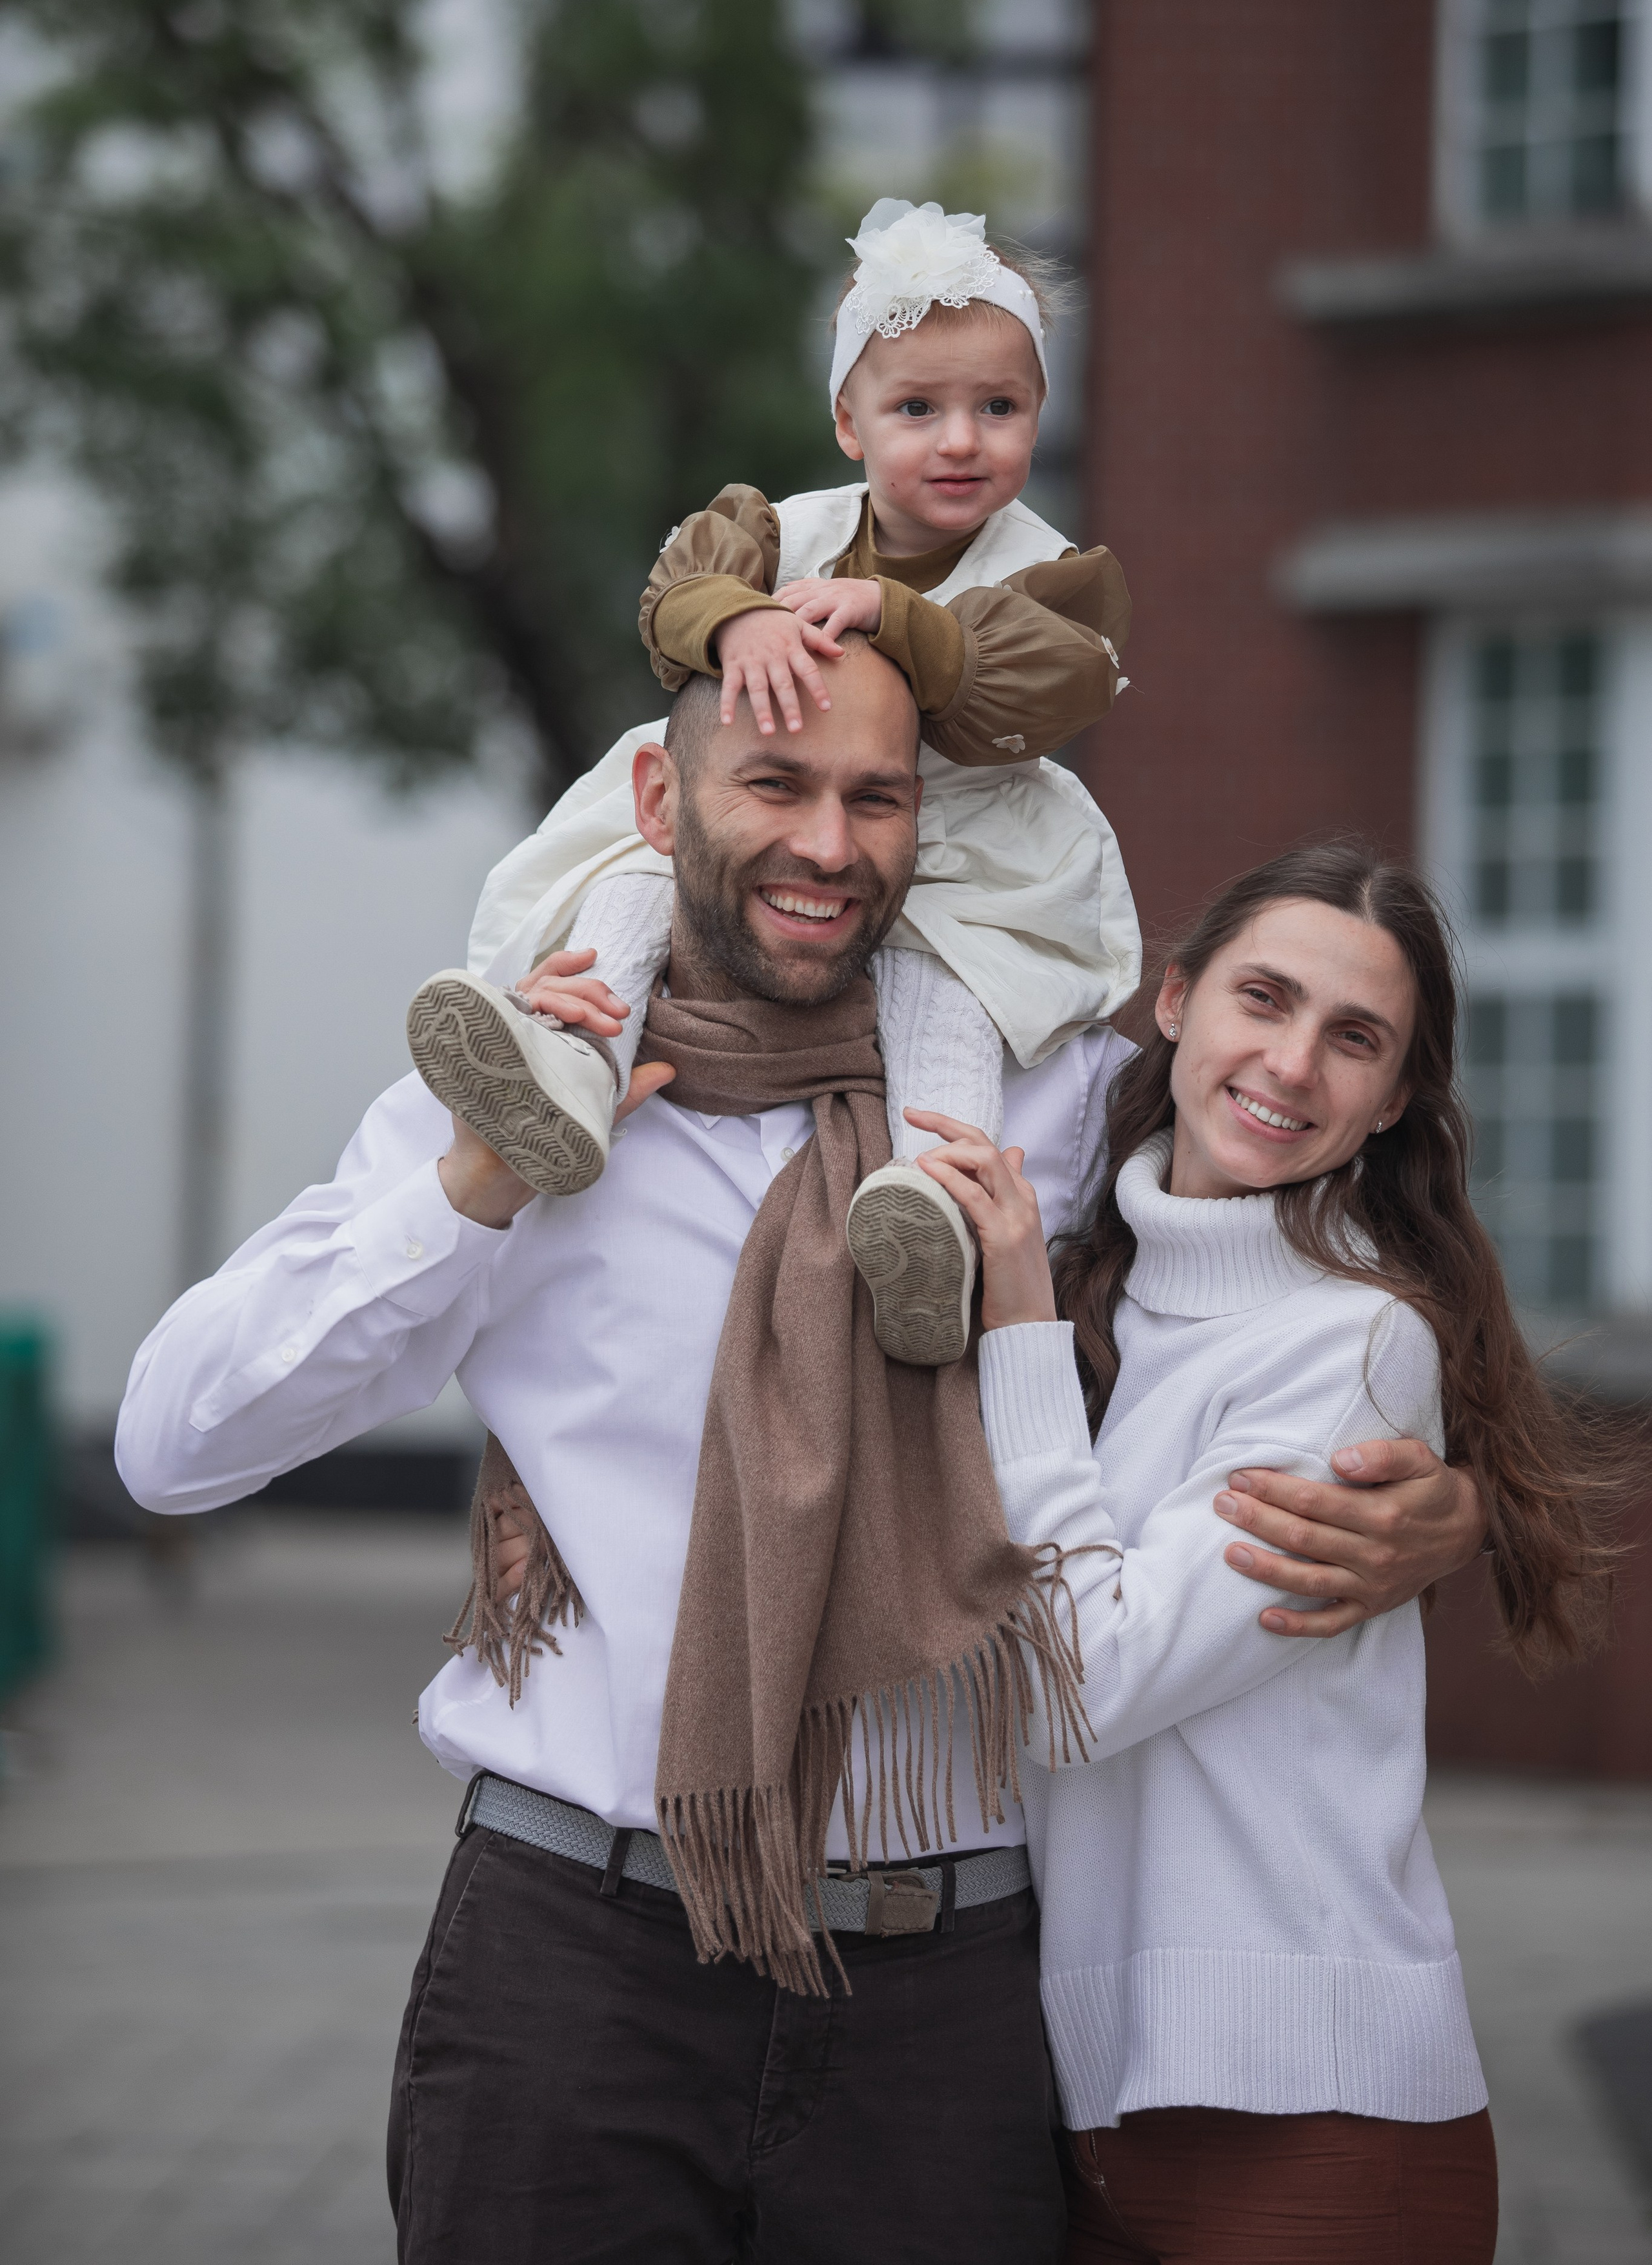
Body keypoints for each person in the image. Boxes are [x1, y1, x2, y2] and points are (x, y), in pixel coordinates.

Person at [115, 658, 1487, 2265]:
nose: (827, 843)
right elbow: (173, 1443)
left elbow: (1279, 1303)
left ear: (925, 826)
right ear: (658, 801)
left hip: (945, 1997)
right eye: (773, 783)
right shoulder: (522, 1090)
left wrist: (1440, 1504)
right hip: (579, 1965)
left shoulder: (1039, 1111)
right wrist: (468, 1189)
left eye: (874, 797)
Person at [910, 845, 1628, 2264]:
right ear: (1173, 1000)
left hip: (1310, 2125)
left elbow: (1074, 1688)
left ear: (1395, 1099)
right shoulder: (1090, 1284)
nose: (1291, 1064)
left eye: (1352, 1038)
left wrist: (1012, 1333)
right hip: (1102, 2102)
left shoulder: (1348, 1341)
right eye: (1262, 998)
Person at [405, 194, 1138, 1369]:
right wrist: (735, 623)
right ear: (849, 422)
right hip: (768, 817)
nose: (959, 440)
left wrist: (904, 620)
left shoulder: (1047, 573)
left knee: (952, 988)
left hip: (960, 845)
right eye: (918, 408)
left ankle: (935, 1203)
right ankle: (572, 1071)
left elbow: (1060, 683)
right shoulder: (782, 529)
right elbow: (674, 592)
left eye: (997, 408)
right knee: (642, 883)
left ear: (1039, 416)